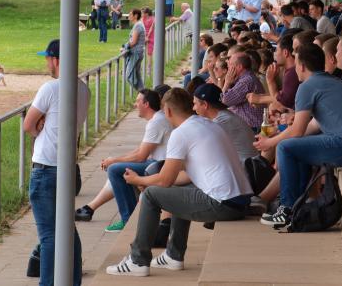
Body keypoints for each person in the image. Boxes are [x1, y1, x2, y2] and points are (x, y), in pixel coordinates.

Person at [106, 88, 252, 277]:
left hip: (223, 203)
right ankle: (173, 256)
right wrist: (148, 181)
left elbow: (165, 180)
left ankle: (138, 261)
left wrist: (139, 180)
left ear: (167, 111)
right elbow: (181, 178)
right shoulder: (207, 124)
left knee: (151, 196)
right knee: (176, 189)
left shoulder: (181, 133)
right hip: (240, 200)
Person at [255, 44, 342, 227]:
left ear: (302, 66)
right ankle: (298, 205)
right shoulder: (329, 80)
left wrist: (270, 142)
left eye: (296, 63)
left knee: (285, 147)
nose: (295, 67)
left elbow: (296, 131)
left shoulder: (307, 86)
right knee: (298, 147)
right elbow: (305, 127)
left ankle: (286, 208)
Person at [23, 39, 90, 286]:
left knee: (49, 235)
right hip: (68, 169)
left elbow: (28, 125)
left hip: (45, 169)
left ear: (56, 60)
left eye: (47, 59)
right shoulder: (83, 88)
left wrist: (39, 128)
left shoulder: (51, 89)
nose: (46, 63)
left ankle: (49, 283)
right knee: (68, 231)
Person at [77, 89, 172, 232]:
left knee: (115, 171)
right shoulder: (156, 119)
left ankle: (128, 220)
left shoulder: (156, 122)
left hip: (160, 166)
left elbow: (141, 156)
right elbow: (141, 151)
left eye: (137, 101)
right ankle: (126, 215)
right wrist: (115, 160)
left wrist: (114, 162)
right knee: (117, 167)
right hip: (158, 163)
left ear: (146, 104)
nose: (135, 105)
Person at [193, 83, 258, 162]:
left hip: (246, 170)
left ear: (205, 105)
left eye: (195, 104)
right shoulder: (224, 116)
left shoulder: (221, 122)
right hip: (243, 167)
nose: (193, 108)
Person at [246, 32, 299, 112]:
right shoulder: (290, 71)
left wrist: (270, 80)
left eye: (276, 50)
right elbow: (282, 96)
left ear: (285, 53)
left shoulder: (293, 73)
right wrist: (260, 97)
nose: (274, 54)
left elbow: (281, 104)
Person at [221, 52, 265, 132]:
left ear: (239, 67)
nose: (228, 67)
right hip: (248, 126)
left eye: (230, 64)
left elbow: (223, 102)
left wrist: (227, 83)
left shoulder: (246, 81)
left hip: (251, 128)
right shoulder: (244, 78)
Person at [124, 8, 146, 91]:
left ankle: (141, 92)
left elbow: (133, 42)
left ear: (135, 15)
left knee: (129, 75)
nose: (129, 16)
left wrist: (125, 46)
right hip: (137, 53)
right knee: (137, 75)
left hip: (136, 53)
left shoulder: (138, 25)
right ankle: (143, 93)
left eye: (130, 14)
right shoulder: (138, 24)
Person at [142, 7, 155, 74]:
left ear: (146, 13)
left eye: (143, 13)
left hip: (151, 36)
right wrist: (144, 36)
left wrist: (147, 37)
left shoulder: (152, 19)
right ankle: (141, 67)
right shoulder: (143, 19)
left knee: (149, 53)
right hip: (143, 35)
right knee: (141, 51)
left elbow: (151, 28)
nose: (142, 14)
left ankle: (149, 69)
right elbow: (142, 27)